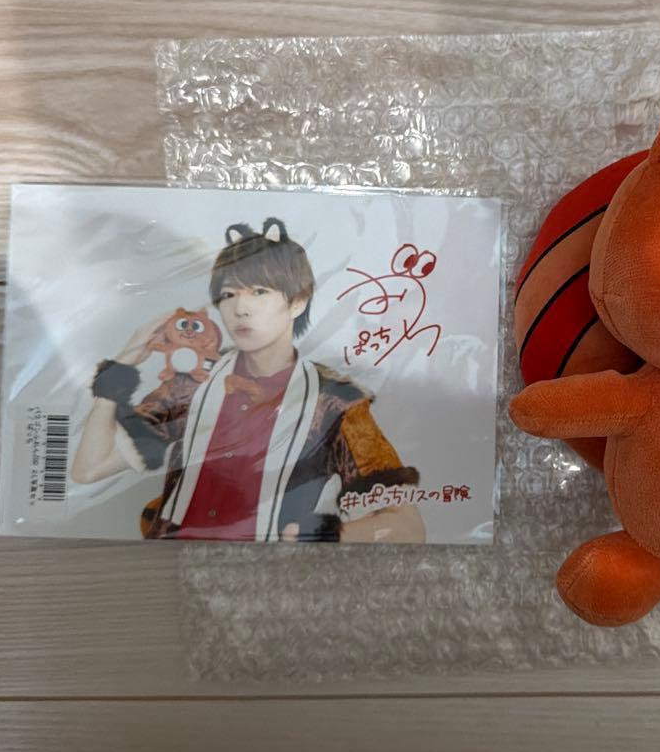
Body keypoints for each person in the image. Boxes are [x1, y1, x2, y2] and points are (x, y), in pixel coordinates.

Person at [70, 217, 425, 543]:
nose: (241, 308)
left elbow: (408, 527)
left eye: (259, 291)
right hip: (172, 561)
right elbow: (88, 468)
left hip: (264, 574)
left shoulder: (333, 402)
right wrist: (124, 361)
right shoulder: (194, 385)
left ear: (298, 301)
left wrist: (322, 535)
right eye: (229, 295)